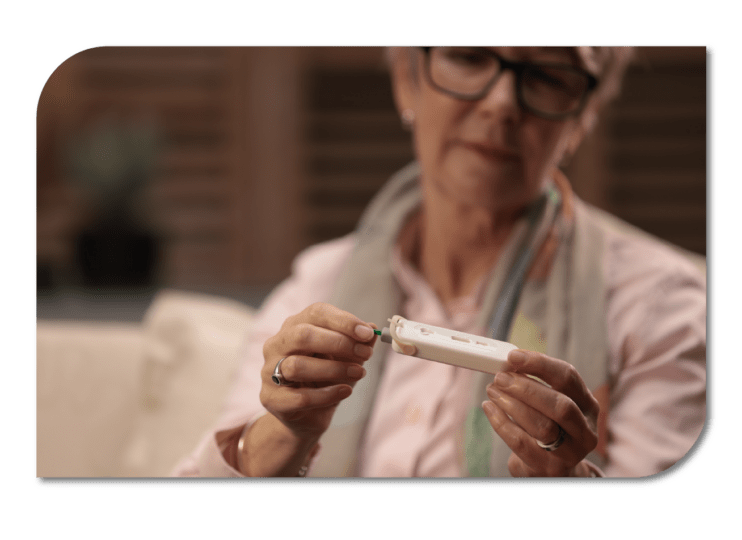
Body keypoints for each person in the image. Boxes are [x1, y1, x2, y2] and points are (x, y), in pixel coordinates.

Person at [173, 46, 706, 478]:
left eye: (545, 73)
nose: (502, 103)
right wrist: (283, 435)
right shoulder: (318, 281)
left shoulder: (664, 307)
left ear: (583, 115)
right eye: (470, 56)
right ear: (407, 78)